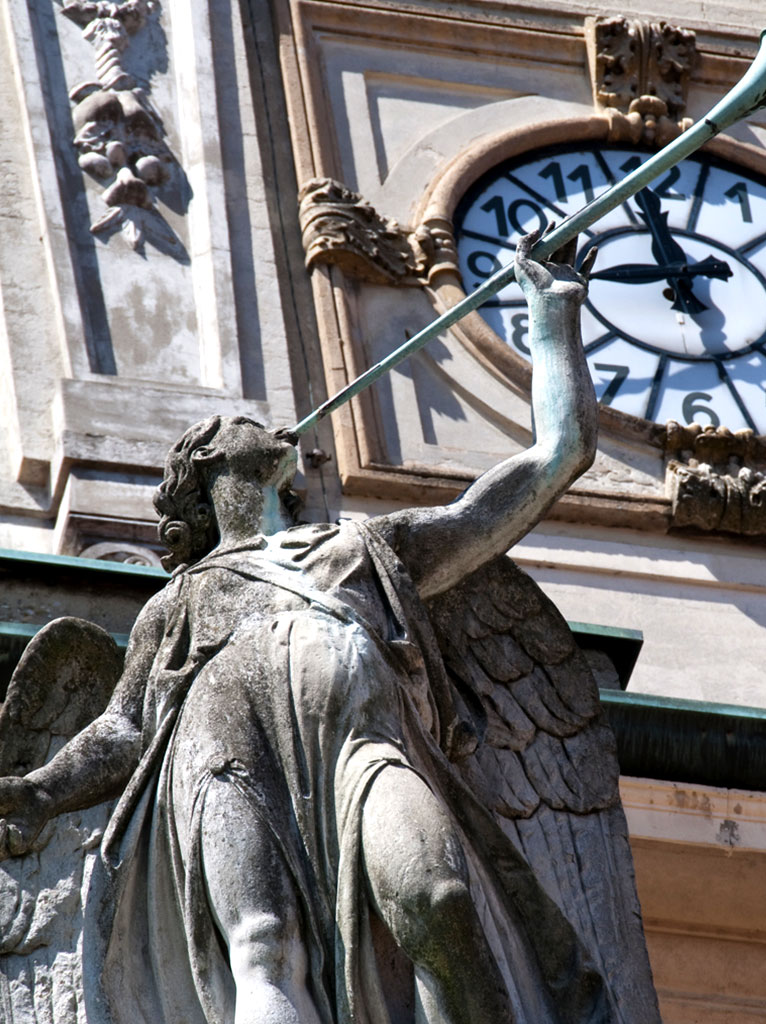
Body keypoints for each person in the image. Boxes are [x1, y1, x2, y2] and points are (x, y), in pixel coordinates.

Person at [0, 234, 606, 1024]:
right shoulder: (177, 602)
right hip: (217, 757)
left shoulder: (365, 547)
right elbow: (124, 727)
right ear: (209, 467)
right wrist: (40, 791)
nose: (268, 425)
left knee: (438, 897)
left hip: (362, 742)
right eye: (240, 424)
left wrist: (552, 313)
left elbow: (557, 458)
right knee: (260, 948)